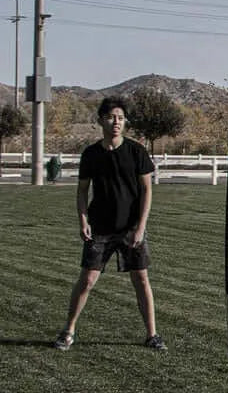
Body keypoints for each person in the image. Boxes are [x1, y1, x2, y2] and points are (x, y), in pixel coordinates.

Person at [54, 96, 167, 352]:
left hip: (131, 228)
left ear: (125, 122)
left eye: (120, 117)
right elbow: (82, 191)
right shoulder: (91, 154)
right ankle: (68, 331)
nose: (116, 122)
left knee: (141, 279)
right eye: (110, 117)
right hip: (100, 228)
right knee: (87, 280)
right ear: (100, 121)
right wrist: (83, 219)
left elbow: (147, 190)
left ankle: (152, 335)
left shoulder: (137, 152)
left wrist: (140, 226)